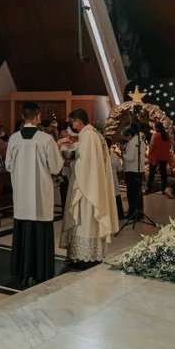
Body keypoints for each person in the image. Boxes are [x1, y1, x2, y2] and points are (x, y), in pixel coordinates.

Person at [6, 102, 64, 288]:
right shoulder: (46, 140)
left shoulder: (14, 139)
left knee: (23, 232)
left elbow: (8, 165)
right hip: (40, 196)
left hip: (22, 197)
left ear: (24, 117)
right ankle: (40, 272)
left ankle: (22, 272)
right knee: (40, 232)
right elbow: (56, 167)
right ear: (38, 117)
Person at [59, 109, 118, 267]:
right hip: (92, 185)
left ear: (78, 120)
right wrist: (75, 146)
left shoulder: (88, 135)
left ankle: (85, 257)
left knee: (84, 219)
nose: (73, 126)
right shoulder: (93, 134)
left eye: (73, 122)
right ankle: (89, 254)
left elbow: (85, 163)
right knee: (87, 219)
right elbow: (89, 155)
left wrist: (71, 163)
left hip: (86, 188)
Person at [121, 123, 147, 216]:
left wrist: (123, 154)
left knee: (131, 193)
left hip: (132, 171)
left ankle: (132, 212)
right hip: (139, 170)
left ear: (130, 135)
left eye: (126, 137)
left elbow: (130, 157)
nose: (126, 139)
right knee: (138, 193)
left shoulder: (132, 143)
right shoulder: (142, 141)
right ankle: (139, 212)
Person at [146, 123, 172, 194]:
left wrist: (149, 154)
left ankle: (149, 189)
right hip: (164, 157)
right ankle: (164, 189)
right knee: (163, 174)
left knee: (152, 173)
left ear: (157, 128)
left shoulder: (155, 135)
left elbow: (151, 145)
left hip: (155, 156)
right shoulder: (167, 136)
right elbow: (170, 146)